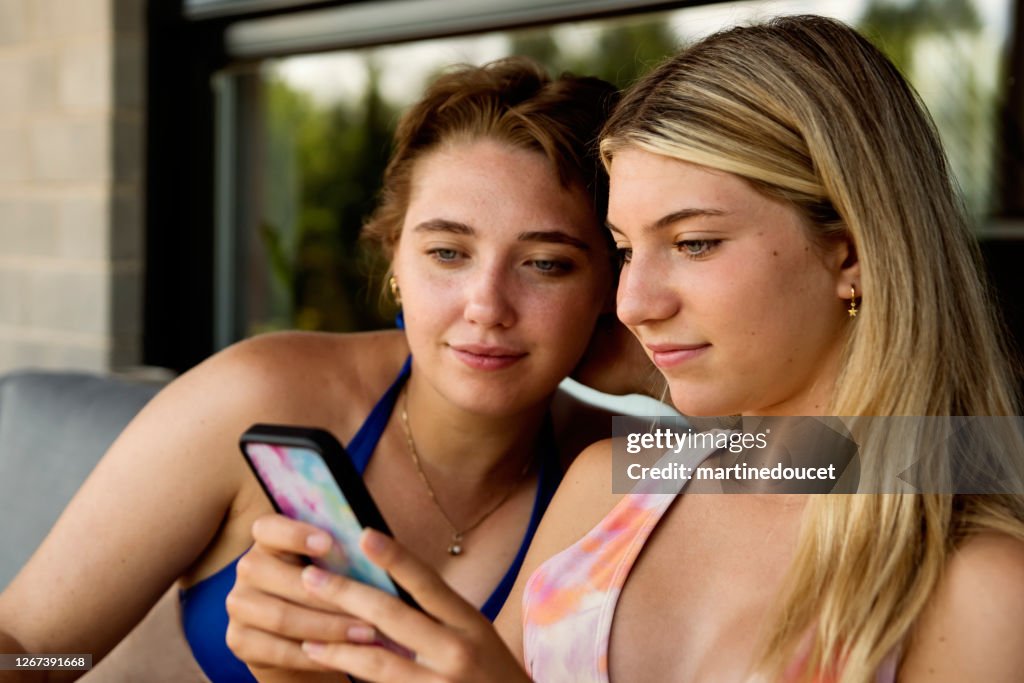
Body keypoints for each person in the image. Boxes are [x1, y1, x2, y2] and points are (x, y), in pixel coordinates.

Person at [234, 15, 1024, 683]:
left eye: (695, 242)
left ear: (851, 253)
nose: (634, 303)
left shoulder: (983, 589)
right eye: (624, 249)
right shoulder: (616, 482)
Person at [0, 57, 631, 682]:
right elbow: (33, 649)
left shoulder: (625, 460)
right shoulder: (259, 392)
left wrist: (654, 375)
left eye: (547, 264)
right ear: (395, 261)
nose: (487, 307)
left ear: (611, 283)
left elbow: (736, 466)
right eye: (446, 252)